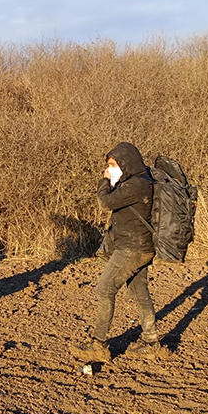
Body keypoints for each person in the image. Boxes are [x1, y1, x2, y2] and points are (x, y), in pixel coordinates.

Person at [71, 142, 161, 361]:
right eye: (109, 166)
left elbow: (105, 203)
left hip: (132, 248)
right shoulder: (140, 181)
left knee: (104, 290)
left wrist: (103, 181)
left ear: (125, 163)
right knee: (139, 293)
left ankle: (99, 344)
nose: (110, 169)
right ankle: (151, 342)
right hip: (142, 247)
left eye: (113, 165)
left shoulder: (135, 185)